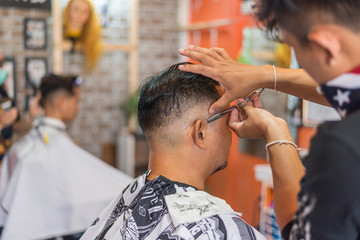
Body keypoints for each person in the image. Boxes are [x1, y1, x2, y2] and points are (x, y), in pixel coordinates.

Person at [179, 0, 360, 239]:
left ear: (325, 46)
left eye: (294, 48)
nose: (301, 63)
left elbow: (299, 232)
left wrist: (275, 131)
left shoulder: (342, 145)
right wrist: (264, 75)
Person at [80, 63, 265, 240]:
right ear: (200, 132)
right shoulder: (219, 231)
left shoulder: (130, 198)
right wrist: (275, 132)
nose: (231, 129)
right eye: (226, 117)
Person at [0, 74, 133, 240]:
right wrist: (130, 189)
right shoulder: (53, 144)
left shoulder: (26, 145)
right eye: (76, 101)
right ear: (61, 101)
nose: (77, 108)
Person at [63, 0, 102, 69]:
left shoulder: (92, 37)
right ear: (68, 10)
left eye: (85, 11)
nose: (80, 14)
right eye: (76, 9)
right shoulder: (59, 33)